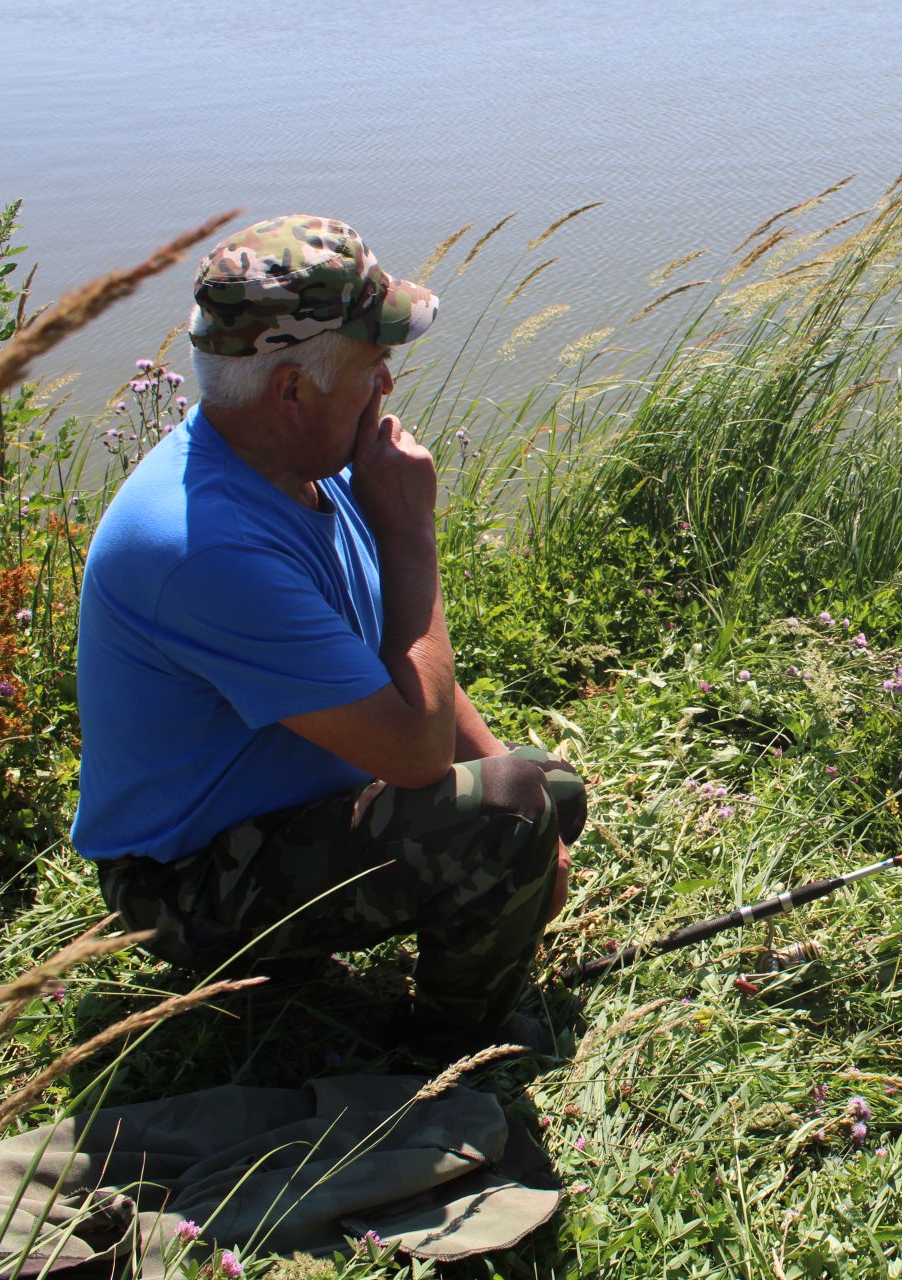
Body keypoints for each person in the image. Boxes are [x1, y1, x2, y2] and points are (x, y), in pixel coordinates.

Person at [71, 215, 583, 1057]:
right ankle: (445, 1052)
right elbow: (415, 758)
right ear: (291, 392)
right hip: (181, 887)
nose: (385, 383)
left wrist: (518, 793)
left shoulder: (303, 464)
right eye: (369, 364)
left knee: (545, 789)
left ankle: (440, 932)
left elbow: (421, 695)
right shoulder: (205, 545)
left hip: (278, 813)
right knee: (507, 812)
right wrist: (413, 537)